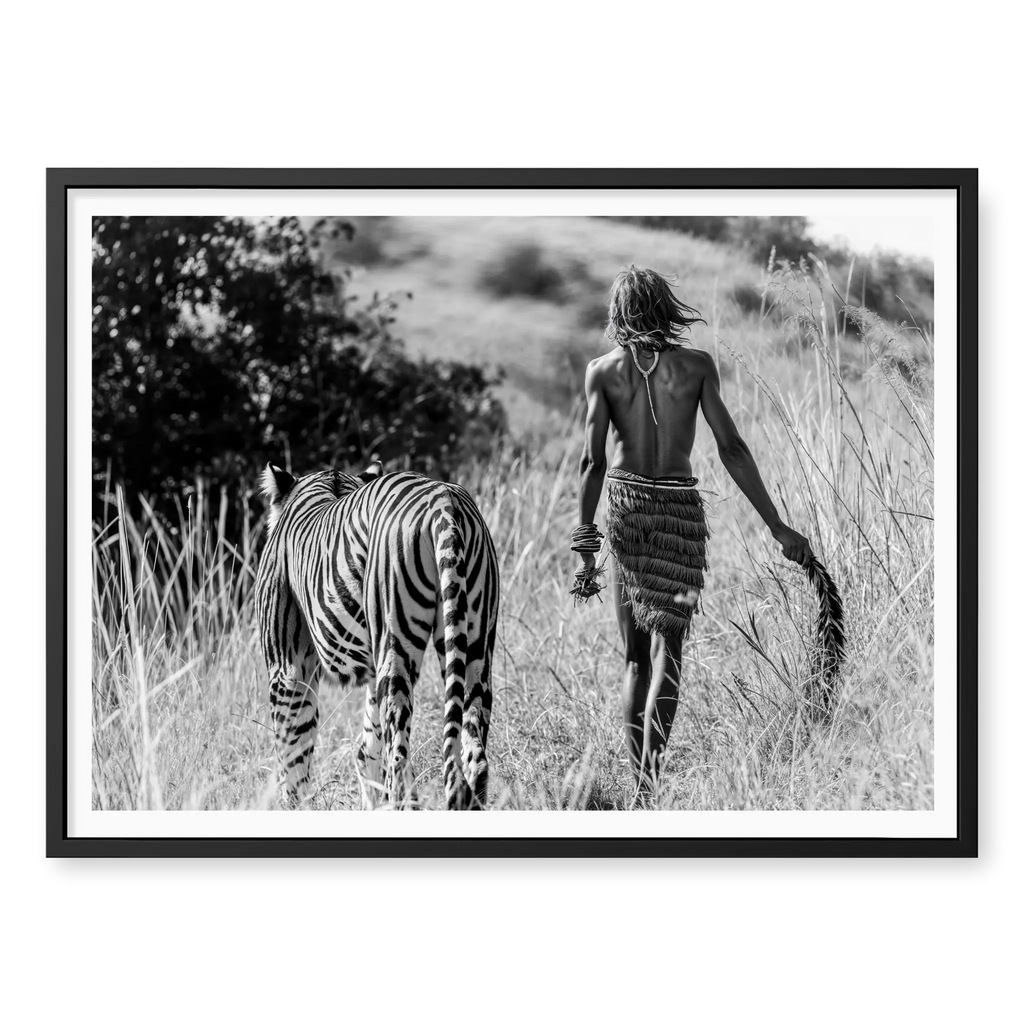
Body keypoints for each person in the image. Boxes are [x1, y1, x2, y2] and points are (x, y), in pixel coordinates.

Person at [574, 265, 814, 796]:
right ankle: (650, 785)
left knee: (635, 657)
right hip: (680, 517)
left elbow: (592, 463)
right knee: (669, 653)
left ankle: (642, 791)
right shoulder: (697, 366)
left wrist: (585, 544)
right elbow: (731, 448)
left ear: (618, 314)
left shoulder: (602, 371)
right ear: (665, 308)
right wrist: (776, 526)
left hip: (628, 509)